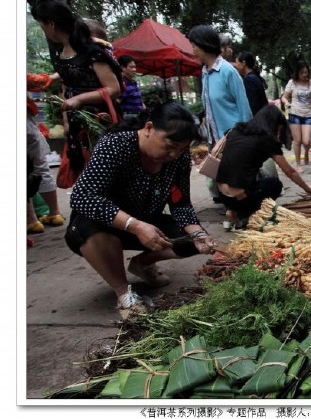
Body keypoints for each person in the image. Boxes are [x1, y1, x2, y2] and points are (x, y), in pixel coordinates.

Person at [64, 103, 216, 316]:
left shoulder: (178, 159)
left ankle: (142, 264)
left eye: (180, 149)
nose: (173, 154)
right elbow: (82, 196)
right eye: (169, 145)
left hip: (146, 222)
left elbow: (180, 203)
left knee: (191, 239)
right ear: (149, 128)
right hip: (106, 224)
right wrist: (133, 225)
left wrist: (198, 234)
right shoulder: (116, 145)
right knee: (88, 228)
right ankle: (123, 291)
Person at [31, 0, 122, 181]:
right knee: (85, 172)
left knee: (106, 172)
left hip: (99, 121)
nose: (44, 31)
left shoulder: (91, 51)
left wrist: (80, 99)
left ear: (51, 24)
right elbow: (66, 86)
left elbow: (114, 89)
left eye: (43, 26)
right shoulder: (61, 53)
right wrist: (66, 121)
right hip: (76, 124)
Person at [216, 105, 311, 228]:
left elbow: (215, 152)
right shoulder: (267, 141)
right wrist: (308, 188)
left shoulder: (235, 130)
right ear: (275, 125)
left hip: (221, 193)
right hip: (241, 198)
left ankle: (231, 210)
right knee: (275, 184)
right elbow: (289, 172)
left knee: (244, 175)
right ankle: (247, 212)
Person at [187, 25, 251, 201]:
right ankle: (236, 210)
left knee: (234, 182)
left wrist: (243, 138)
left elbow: (244, 108)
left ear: (204, 45)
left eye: (194, 46)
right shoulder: (205, 72)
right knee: (222, 182)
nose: (192, 50)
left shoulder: (228, 71)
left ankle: (242, 212)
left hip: (233, 138)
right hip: (216, 140)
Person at [27, 73, 65, 234]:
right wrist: (58, 73)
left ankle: (32, 220)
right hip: (26, 127)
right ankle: (54, 213)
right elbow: (37, 81)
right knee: (40, 168)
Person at [281, 62, 311, 172]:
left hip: (308, 115)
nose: (304, 75)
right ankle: (298, 164)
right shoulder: (292, 83)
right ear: (297, 73)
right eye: (302, 73)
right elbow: (284, 97)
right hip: (294, 113)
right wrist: (286, 103)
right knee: (297, 140)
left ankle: (306, 152)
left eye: (306, 72)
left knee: (307, 141)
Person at [235, 51, 269, 116]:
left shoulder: (249, 79)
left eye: (237, 63)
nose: (236, 66)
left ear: (244, 63)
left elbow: (252, 104)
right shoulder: (255, 76)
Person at [117, 55, 146, 122]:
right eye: (131, 67)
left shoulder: (133, 82)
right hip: (128, 117)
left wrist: (142, 105)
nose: (134, 70)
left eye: (135, 67)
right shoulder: (121, 83)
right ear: (122, 68)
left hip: (138, 115)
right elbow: (117, 102)